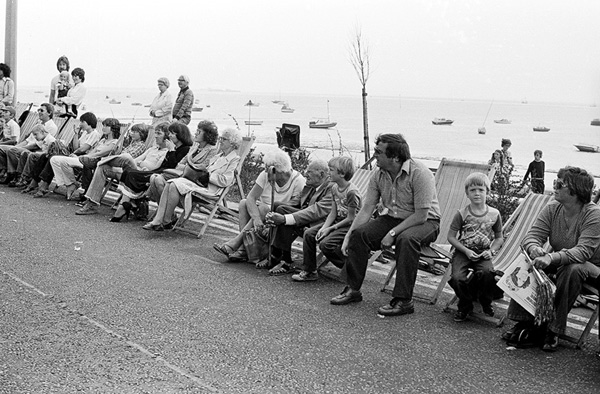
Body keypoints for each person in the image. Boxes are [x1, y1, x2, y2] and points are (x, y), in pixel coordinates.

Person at [330, 134, 441, 317]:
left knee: (407, 239)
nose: (375, 155)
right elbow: (366, 209)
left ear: (395, 157)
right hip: (394, 218)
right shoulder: (378, 174)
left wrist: (392, 232)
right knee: (359, 235)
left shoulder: (420, 173)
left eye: (379, 152)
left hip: (427, 221)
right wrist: (349, 235)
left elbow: (421, 215)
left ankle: (403, 301)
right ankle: (353, 289)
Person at [503, 166, 600, 352]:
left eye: (559, 183)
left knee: (573, 268)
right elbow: (531, 236)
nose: (554, 186)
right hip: (563, 261)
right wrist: (535, 249)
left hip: (593, 268)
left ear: (575, 191)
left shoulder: (593, 214)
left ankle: (553, 329)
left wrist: (551, 257)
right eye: (555, 181)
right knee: (530, 259)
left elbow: (583, 252)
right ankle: (523, 322)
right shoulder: (553, 208)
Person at [213, 149, 306, 264]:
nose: (265, 170)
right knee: (243, 203)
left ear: (277, 169)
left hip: (278, 215)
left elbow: (294, 207)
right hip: (262, 213)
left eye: (267, 167)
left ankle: (238, 245)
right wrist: (256, 219)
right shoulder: (265, 175)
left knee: (263, 208)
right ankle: (244, 248)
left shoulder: (298, 181)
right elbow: (251, 198)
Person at [142, 128, 241, 231]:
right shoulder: (219, 156)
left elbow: (226, 180)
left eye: (224, 139)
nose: (220, 141)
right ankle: (162, 220)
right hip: (200, 182)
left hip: (211, 188)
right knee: (170, 183)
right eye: (220, 138)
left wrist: (207, 175)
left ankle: (164, 220)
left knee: (174, 184)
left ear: (232, 143)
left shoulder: (234, 159)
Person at [292, 156, 362, 282]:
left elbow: (352, 218)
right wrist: (323, 228)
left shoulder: (351, 193)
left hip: (349, 225)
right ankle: (310, 270)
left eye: (331, 170)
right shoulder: (334, 188)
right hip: (337, 222)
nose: (328, 173)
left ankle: (350, 265)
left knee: (326, 244)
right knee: (309, 233)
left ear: (341, 173)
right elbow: (333, 213)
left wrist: (331, 228)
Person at [257, 159, 332, 275]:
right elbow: (294, 201)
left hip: (317, 223)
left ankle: (283, 259)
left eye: (309, 172)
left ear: (321, 174)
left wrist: (284, 218)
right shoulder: (311, 185)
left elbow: (315, 211)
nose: (306, 174)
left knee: (283, 213)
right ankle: (278, 255)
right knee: (279, 206)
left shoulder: (331, 189)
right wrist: (273, 213)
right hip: (305, 218)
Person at [447, 172, 504, 322]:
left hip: (483, 253)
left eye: (481, 189)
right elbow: (451, 237)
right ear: (467, 193)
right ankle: (465, 305)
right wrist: (465, 250)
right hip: (463, 251)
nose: (477, 193)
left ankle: (485, 301)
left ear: (488, 192)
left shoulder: (494, 214)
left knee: (487, 274)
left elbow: (499, 238)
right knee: (457, 277)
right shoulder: (462, 214)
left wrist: (491, 251)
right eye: (472, 190)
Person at [114, 122, 192, 221]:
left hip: (166, 175)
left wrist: (171, 150)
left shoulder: (184, 149)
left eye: (172, 133)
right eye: (170, 133)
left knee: (131, 174)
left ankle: (125, 206)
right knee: (128, 172)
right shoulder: (175, 148)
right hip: (160, 172)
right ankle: (127, 205)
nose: (170, 135)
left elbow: (173, 166)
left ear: (180, 135)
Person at [74, 123, 152, 214]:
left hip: (128, 172)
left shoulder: (141, 145)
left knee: (123, 157)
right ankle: (92, 201)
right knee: (101, 166)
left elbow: (129, 159)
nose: (132, 133)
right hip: (121, 169)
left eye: (135, 132)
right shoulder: (132, 144)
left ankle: (100, 160)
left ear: (142, 134)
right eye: (132, 131)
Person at [145, 120, 219, 207]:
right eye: (196, 131)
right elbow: (180, 164)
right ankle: (166, 214)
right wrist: (188, 166)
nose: (195, 133)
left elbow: (204, 167)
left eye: (199, 131)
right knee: (155, 177)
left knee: (157, 179)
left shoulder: (212, 150)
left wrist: (187, 166)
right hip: (183, 174)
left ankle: (164, 212)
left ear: (207, 134)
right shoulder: (195, 146)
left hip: (194, 180)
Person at [31, 112, 100, 198]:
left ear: (88, 122)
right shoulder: (85, 133)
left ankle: (45, 186)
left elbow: (83, 149)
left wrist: (74, 154)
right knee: (46, 157)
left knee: (52, 158)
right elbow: (76, 147)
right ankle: (38, 183)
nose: (80, 124)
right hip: (76, 156)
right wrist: (76, 134)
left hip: (84, 158)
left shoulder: (94, 134)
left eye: (82, 122)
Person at [50, 116, 119, 200]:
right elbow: (92, 153)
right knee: (54, 159)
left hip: (94, 163)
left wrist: (81, 156)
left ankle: (70, 184)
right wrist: (80, 156)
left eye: (106, 126)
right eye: (103, 125)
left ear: (113, 128)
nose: (103, 128)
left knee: (60, 161)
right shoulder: (102, 141)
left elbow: (99, 154)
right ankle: (70, 184)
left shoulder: (114, 143)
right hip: (87, 159)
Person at [0, 103, 58, 186]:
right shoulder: (39, 124)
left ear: (49, 113)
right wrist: (17, 147)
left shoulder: (51, 127)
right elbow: (27, 140)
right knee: (3, 148)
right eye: (38, 110)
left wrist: (19, 148)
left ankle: (14, 174)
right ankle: (4, 170)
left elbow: (38, 145)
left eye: (42, 110)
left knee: (12, 150)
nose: (39, 112)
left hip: (34, 150)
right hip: (27, 146)